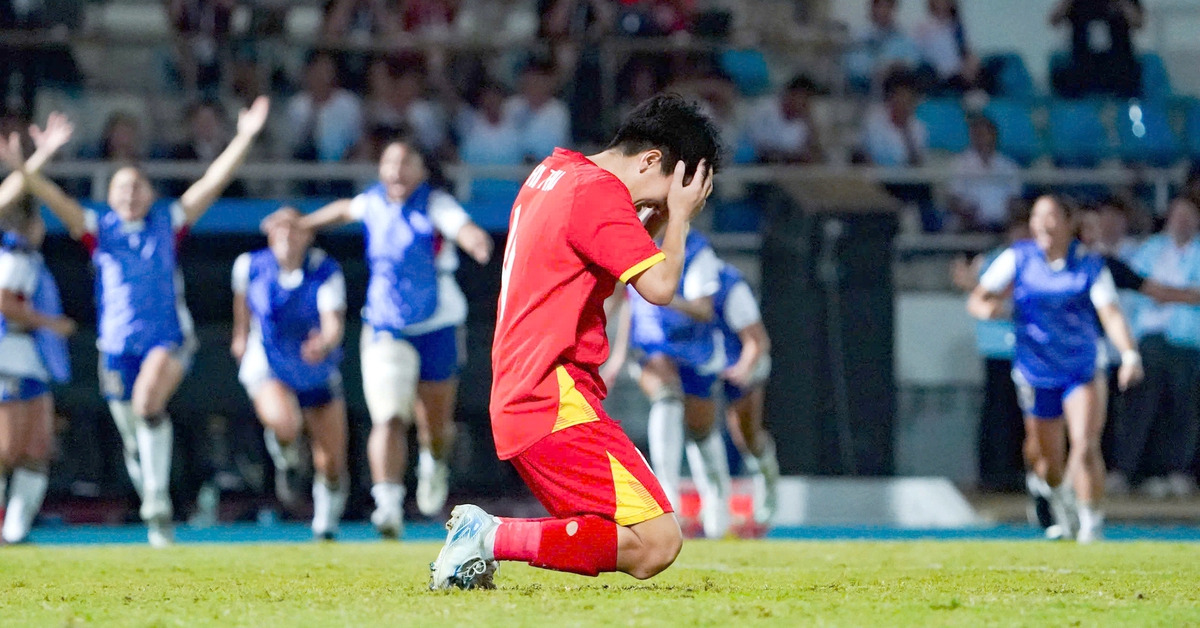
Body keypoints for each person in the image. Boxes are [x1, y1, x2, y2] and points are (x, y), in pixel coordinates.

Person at [429, 94, 718, 589]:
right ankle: (488, 536)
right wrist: (683, 218)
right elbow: (661, 288)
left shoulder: (555, 172)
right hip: (553, 396)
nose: (655, 208)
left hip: (526, 392)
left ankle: (488, 538)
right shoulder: (599, 194)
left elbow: (602, 253)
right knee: (658, 543)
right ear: (651, 159)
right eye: (664, 194)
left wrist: (659, 213)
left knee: (620, 536)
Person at [0, 98, 270, 547]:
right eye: (121, 189)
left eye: (137, 186)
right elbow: (56, 198)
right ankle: (148, 484)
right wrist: (26, 167)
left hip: (166, 338)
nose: (129, 194)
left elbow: (213, 181)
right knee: (133, 430)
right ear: (109, 197)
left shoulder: (169, 221)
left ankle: (158, 504)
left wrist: (243, 136)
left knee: (148, 405)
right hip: (115, 345)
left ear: (151, 192)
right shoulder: (97, 228)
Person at [300, 136, 493, 537]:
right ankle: (387, 504)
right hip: (386, 326)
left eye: (406, 163)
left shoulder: (435, 205)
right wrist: (304, 223)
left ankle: (432, 463)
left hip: (437, 325)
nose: (396, 171)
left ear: (422, 171)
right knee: (388, 414)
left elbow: (462, 227)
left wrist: (476, 242)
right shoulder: (371, 202)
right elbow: (343, 210)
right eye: (389, 163)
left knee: (435, 427)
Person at [968, 195, 1143, 544]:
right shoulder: (1018, 258)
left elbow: (1109, 312)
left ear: (1067, 223)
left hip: (1080, 367)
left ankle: (1091, 520)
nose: (1043, 223)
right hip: (1035, 369)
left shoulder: (1089, 265)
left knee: (1084, 442)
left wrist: (1128, 354)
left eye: (1051, 216)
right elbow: (979, 298)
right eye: (1037, 216)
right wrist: (996, 311)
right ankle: (1055, 495)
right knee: (1049, 459)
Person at [603, 230, 732, 539]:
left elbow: (703, 309)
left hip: (693, 350)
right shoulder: (633, 241)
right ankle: (666, 495)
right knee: (667, 397)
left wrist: (663, 295)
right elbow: (625, 295)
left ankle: (717, 502)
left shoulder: (698, 251)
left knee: (701, 431)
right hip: (650, 348)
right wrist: (617, 355)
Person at [231, 208, 349, 540]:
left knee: (331, 458)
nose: (287, 236)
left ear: (307, 234)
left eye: (294, 229)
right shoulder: (249, 266)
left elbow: (333, 322)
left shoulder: (324, 270)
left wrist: (323, 343)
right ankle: (286, 453)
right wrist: (240, 337)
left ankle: (325, 523)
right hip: (268, 358)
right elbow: (243, 310)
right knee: (286, 422)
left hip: (313, 364)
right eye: (279, 229)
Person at [0, 125, 76, 545]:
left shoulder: (25, 255)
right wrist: (53, 324)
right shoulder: (13, 254)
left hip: (28, 355)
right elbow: (5, 303)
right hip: (7, 350)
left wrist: (36, 160)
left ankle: (15, 532)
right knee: (7, 449)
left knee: (38, 446)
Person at [1116, 196, 1200, 499]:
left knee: (1183, 409)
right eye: (1178, 215)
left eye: (1189, 215)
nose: (1183, 221)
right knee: (1140, 407)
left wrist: (1164, 293)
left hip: (1188, 341)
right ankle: (1128, 471)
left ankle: (1177, 472)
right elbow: (1134, 286)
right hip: (1149, 337)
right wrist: (1182, 294)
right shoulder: (1150, 249)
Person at [713, 259, 780, 526]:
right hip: (705, 361)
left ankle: (767, 480)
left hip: (742, 361)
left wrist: (742, 368)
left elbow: (758, 340)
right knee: (698, 426)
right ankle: (715, 505)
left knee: (745, 436)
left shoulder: (729, 286)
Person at [1050, 0, 1144, 98]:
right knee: (1063, 78)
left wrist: (1123, 5)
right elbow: (1054, 20)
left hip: (1117, 63)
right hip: (1084, 63)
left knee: (1130, 77)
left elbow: (1138, 23)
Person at [947, 115, 1021, 233]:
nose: (982, 138)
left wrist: (1010, 216)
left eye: (985, 134)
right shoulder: (960, 164)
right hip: (971, 223)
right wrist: (967, 213)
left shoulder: (1008, 166)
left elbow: (1014, 197)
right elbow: (953, 198)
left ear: (994, 136)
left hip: (1003, 224)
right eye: (978, 134)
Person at [845, 0, 921, 94]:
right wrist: (875, 70)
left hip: (893, 93)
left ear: (893, 10)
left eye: (887, 7)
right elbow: (851, 66)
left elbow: (914, 62)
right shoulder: (859, 36)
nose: (883, 11)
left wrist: (893, 67)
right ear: (872, 9)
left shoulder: (902, 36)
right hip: (862, 92)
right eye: (879, 7)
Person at [746, 75, 823, 165]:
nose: (805, 104)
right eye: (803, 98)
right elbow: (760, 147)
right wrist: (790, 156)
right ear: (791, 94)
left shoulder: (803, 121)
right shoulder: (764, 110)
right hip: (757, 165)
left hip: (791, 170)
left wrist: (810, 123)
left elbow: (815, 154)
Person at [913, 0, 982, 93]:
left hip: (961, 72)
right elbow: (923, 55)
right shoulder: (924, 26)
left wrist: (971, 63)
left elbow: (966, 51)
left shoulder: (957, 26)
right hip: (939, 74)